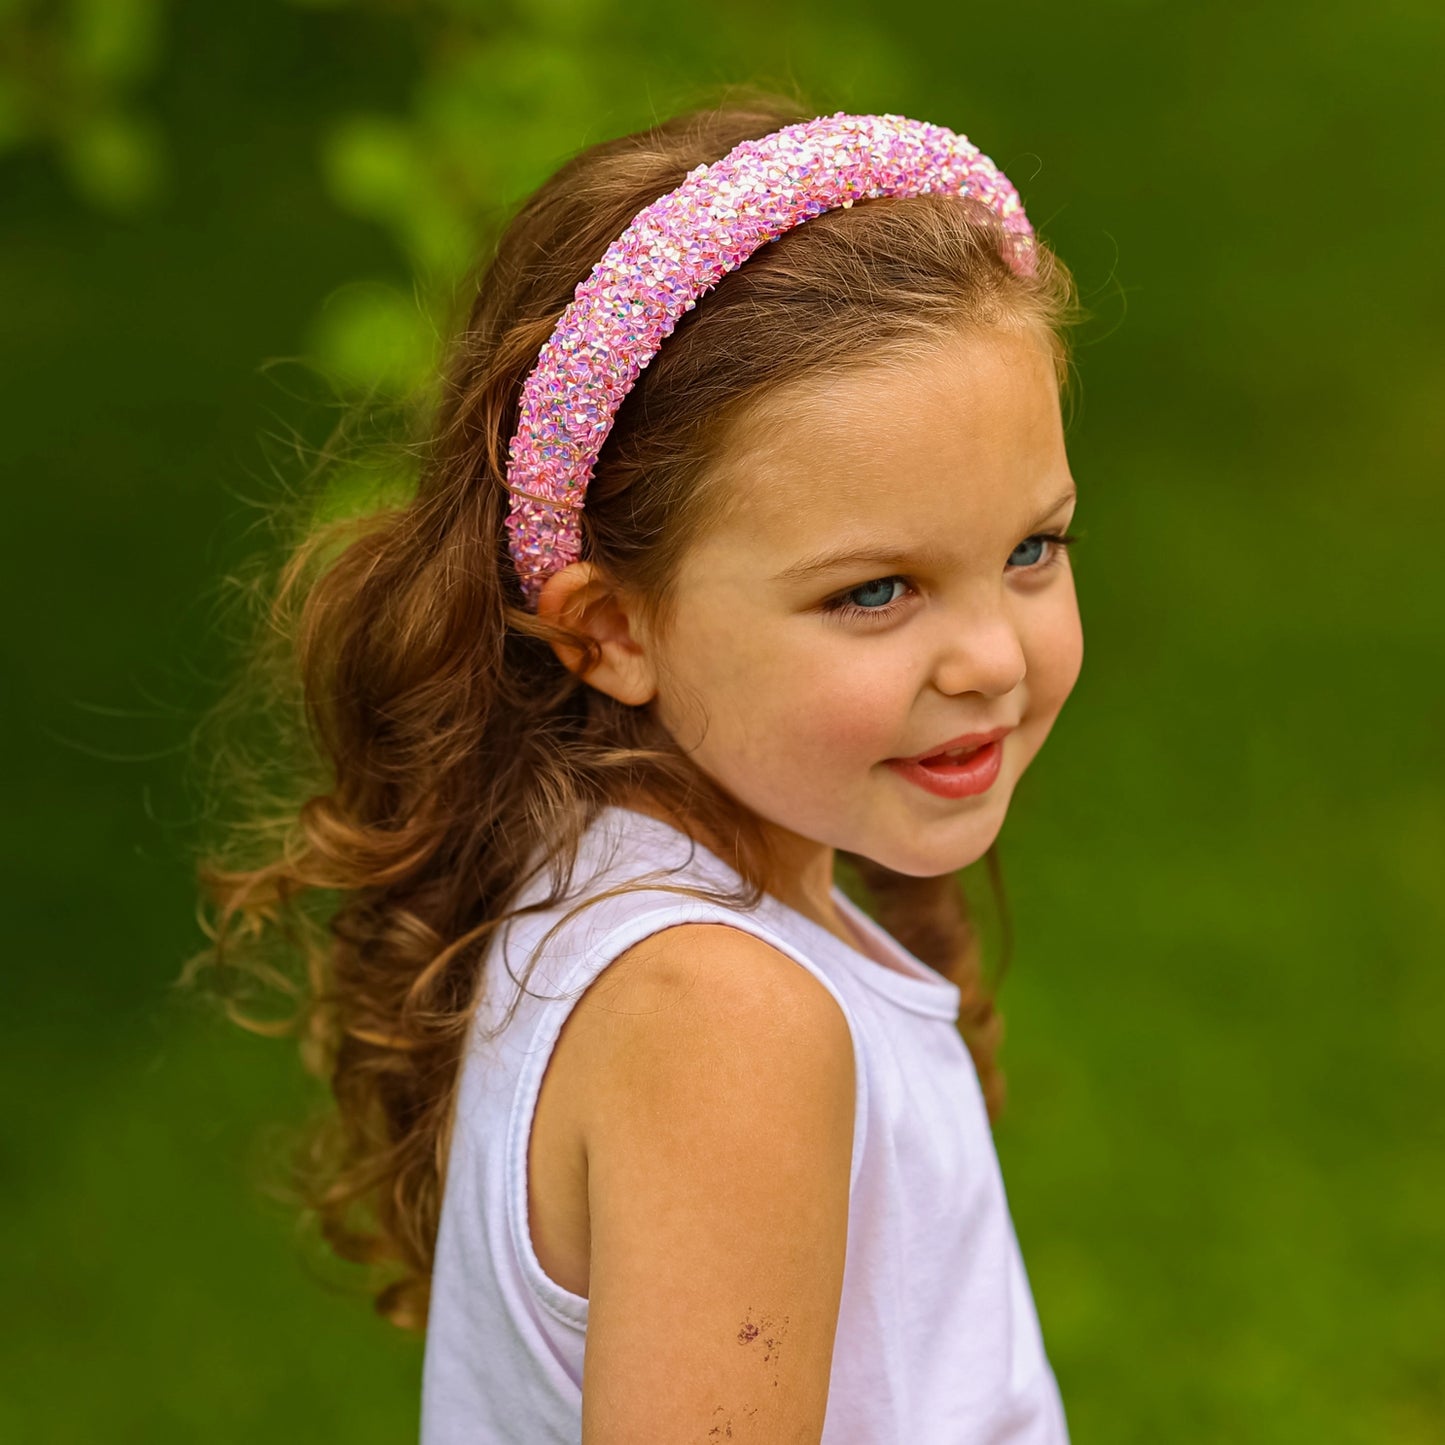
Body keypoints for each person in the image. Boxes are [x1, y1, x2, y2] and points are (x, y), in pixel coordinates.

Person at [196, 97, 1085, 1443]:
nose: (992, 659)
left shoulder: (611, 890)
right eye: (874, 590)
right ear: (611, 630)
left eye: (1030, 549)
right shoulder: (726, 1021)